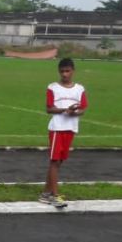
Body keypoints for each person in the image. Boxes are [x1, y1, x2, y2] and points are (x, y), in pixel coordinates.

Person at [41, 58, 87, 208]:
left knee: (59, 161)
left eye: (67, 71)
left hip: (70, 128)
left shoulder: (79, 89)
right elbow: (49, 108)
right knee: (54, 161)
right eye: (62, 71)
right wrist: (64, 110)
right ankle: (54, 195)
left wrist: (75, 112)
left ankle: (46, 193)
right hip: (57, 128)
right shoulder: (53, 87)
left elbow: (83, 109)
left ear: (73, 71)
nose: (65, 74)